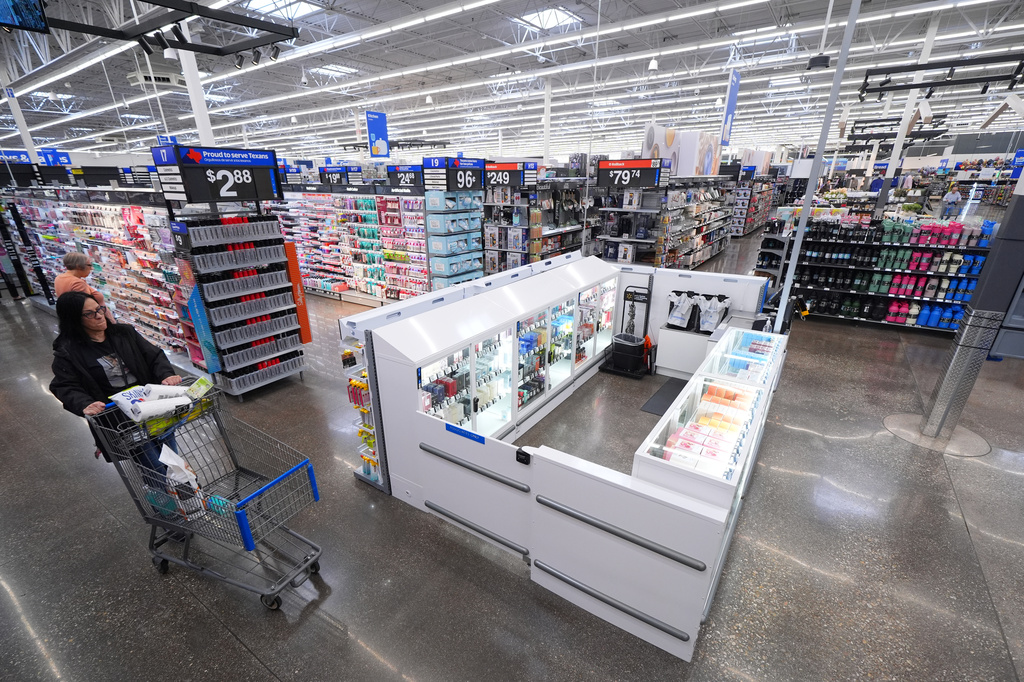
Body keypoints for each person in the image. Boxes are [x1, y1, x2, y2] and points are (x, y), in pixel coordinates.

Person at [49, 291, 182, 468]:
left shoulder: (124, 333)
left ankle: (182, 487)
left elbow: (154, 356)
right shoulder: (68, 352)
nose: (99, 316)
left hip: (151, 408)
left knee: (172, 456)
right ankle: (160, 491)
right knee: (153, 465)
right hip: (119, 420)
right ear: (74, 319)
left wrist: (166, 374)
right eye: (90, 314)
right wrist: (84, 403)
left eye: (99, 309)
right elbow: (64, 385)